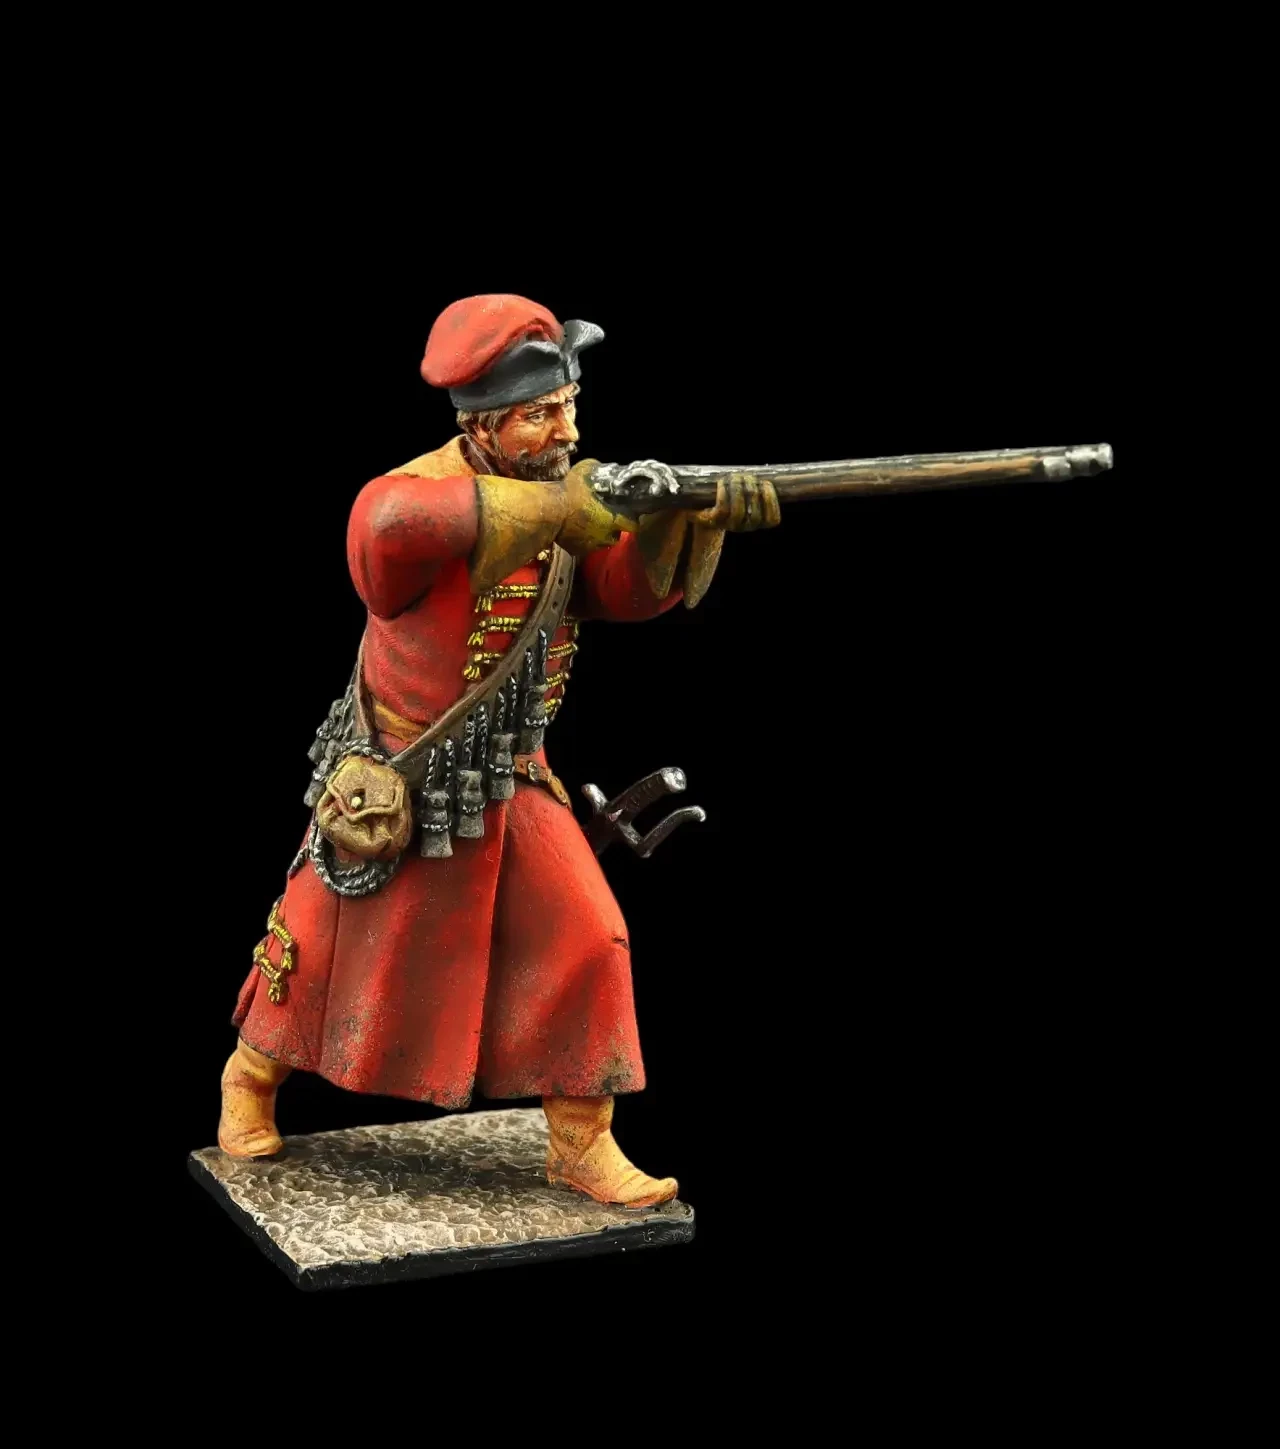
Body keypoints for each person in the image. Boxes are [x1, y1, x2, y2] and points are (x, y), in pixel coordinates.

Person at [218, 293, 779, 1207]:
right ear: (481, 424)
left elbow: (615, 589)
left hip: (512, 773)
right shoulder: (423, 495)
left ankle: (580, 1140)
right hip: (398, 779)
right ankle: (247, 1079)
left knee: (590, 938)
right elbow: (383, 530)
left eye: (569, 405)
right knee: (320, 943)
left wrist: (689, 518)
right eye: (541, 413)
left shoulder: (560, 495)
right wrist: (557, 505)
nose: (569, 430)